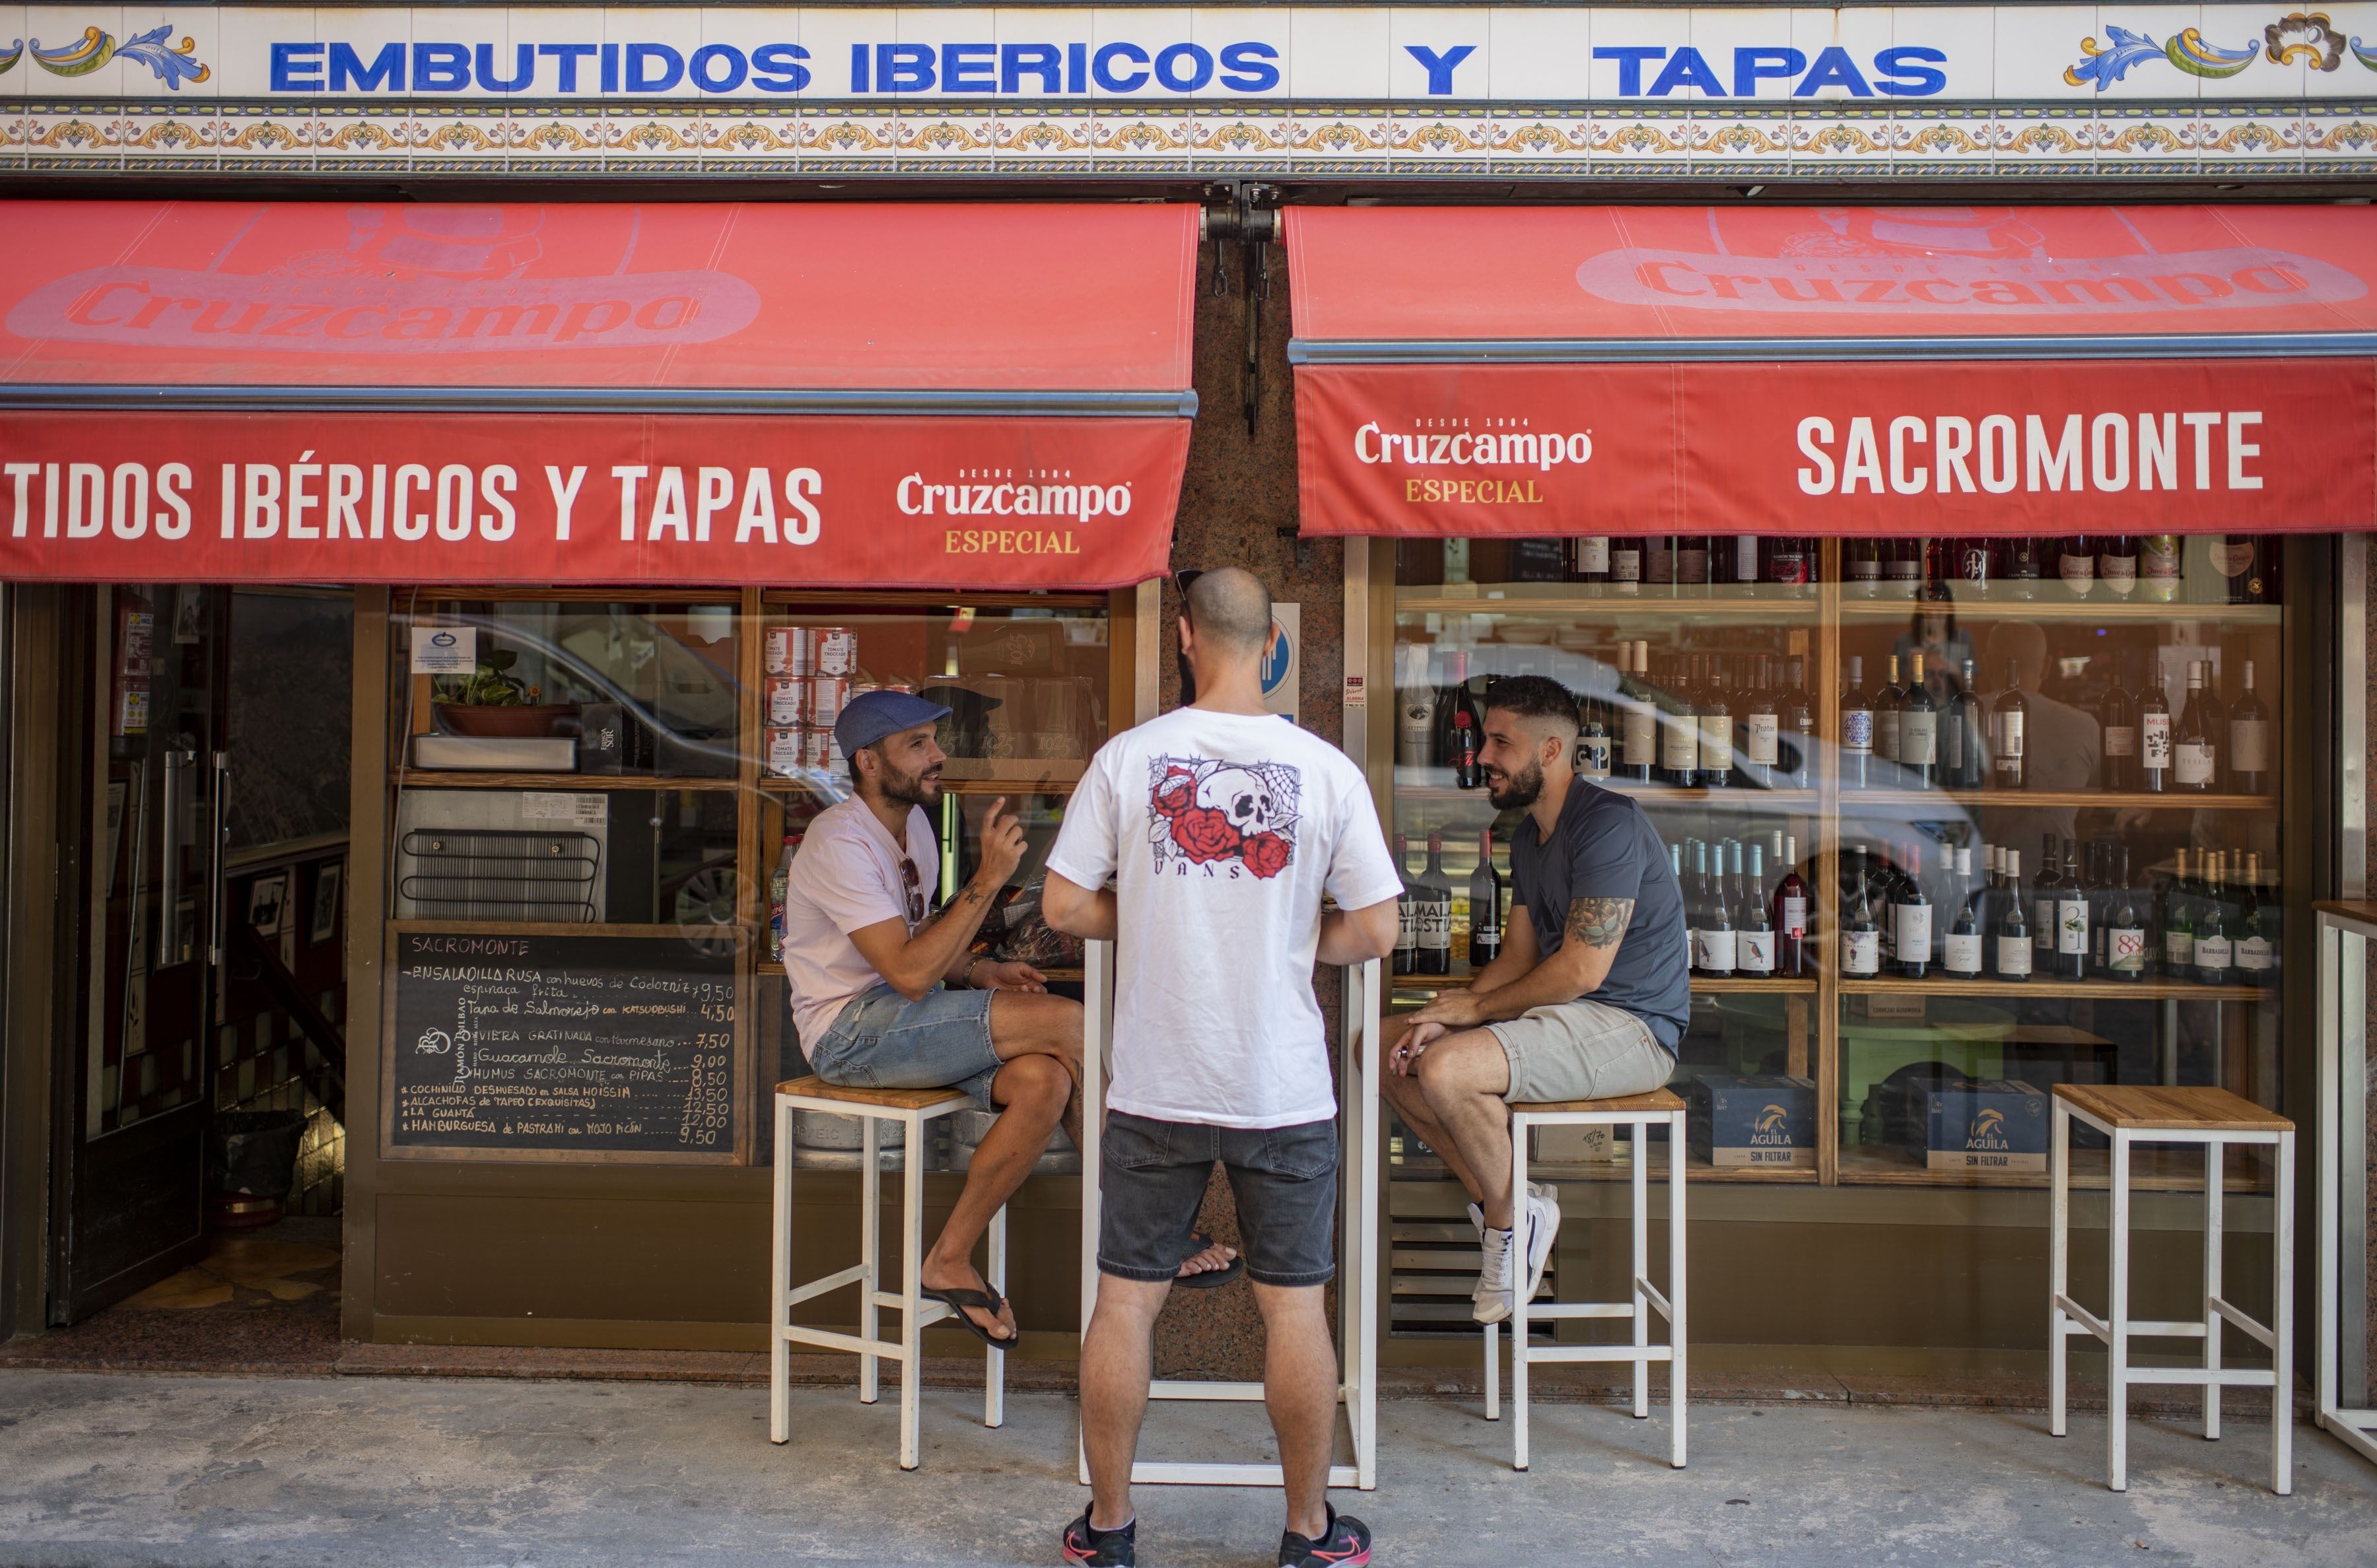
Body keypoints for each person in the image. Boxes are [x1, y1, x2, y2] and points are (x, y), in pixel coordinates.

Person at [1043, 567, 1401, 1568]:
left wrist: (1147, 917)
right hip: (1281, 1086)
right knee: (1295, 1306)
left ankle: (1107, 1530)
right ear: (1275, 650)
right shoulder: (1326, 769)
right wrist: (1294, 942)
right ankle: (1307, 1532)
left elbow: (1065, 906)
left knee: (1125, 1301)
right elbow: (1375, 925)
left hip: (1155, 1080)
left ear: (1187, 637)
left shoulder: (1128, 758)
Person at [780, 691, 1230, 1348]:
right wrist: (987, 880)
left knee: (1044, 1079)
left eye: (934, 739)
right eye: (918, 744)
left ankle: (949, 1257)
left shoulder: (913, 832)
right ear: (869, 762)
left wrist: (976, 972)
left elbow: (918, 946)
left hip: (906, 1018)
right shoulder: (837, 840)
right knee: (1070, 1025)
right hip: (850, 1033)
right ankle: (1146, 1223)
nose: (938, 755)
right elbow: (905, 972)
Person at [1380, 674, 1689, 1326]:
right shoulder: (1528, 836)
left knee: (1445, 1068)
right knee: (1385, 1047)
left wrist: (1472, 1012)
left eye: (1500, 742)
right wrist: (1447, 1010)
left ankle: (1508, 1220)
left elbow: (1580, 967)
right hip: (1568, 1018)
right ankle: (1514, 1207)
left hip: (1634, 1026)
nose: (1483, 755)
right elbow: (1520, 957)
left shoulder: (1608, 823)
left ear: (1551, 751)